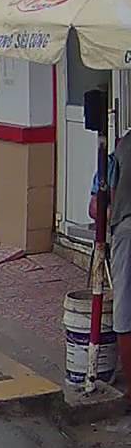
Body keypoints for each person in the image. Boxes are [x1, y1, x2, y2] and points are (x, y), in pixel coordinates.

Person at [91, 129, 131, 411]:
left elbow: (97, 206)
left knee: (125, 311)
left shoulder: (122, 148)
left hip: (127, 230)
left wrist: (113, 214)